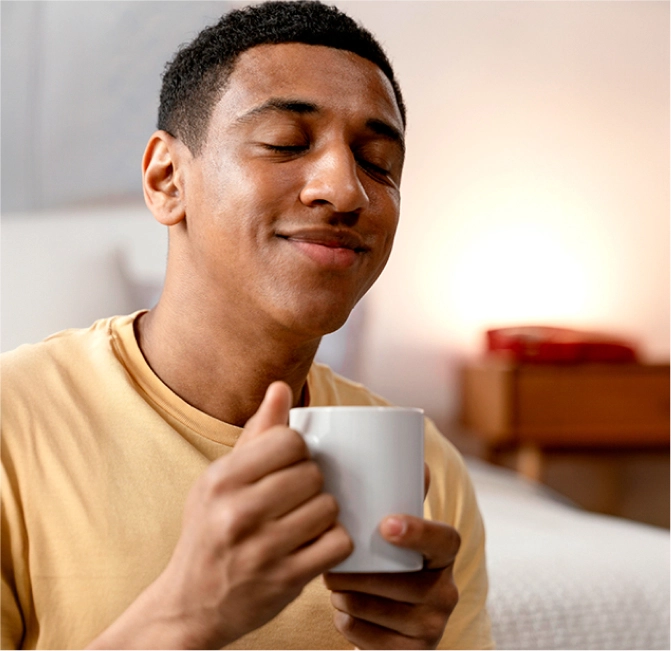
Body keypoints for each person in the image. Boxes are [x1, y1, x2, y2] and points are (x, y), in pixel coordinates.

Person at [1, 2, 494, 648]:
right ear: (166, 178)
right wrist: (188, 611)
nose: (345, 190)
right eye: (287, 143)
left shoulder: (427, 468)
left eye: (377, 161)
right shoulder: (15, 421)